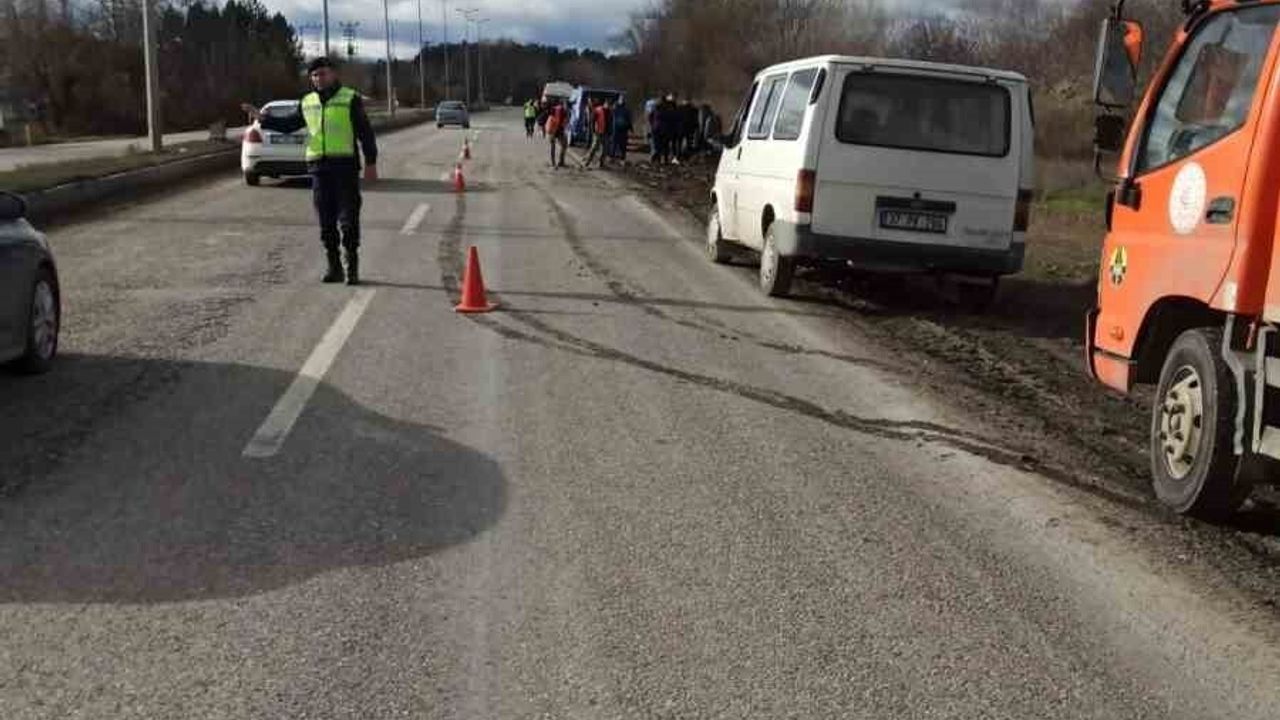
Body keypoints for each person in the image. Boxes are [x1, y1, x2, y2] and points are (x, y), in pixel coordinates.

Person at [241, 56, 377, 285]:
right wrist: (263, 118)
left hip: (345, 166)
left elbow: (365, 131)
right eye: (314, 75)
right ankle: (334, 267)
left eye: (322, 73)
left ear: (333, 74)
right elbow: (289, 125)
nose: (318, 78)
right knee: (326, 221)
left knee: (348, 220)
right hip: (319, 168)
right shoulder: (308, 101)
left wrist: (371, 163)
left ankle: (351, 267)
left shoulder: (350, 98)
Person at [581, 99, 610, 169]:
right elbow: (592, 121)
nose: (609, 106)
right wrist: (593, 131)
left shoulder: (609, 112)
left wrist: (609, 132)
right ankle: (586, 162)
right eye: (608, 104)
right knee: (594, 148)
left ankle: (601, 163)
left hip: (605, 133)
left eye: (610, 105)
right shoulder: (598, 110)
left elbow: (609, 123)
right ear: (605, 104)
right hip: (598, 132)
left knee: (605, 149)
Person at [546, 101, 568, 168]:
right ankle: (559, 162)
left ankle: (554, 162)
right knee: (563, 145)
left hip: (553, 129)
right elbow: (564, 120)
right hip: (555, 129)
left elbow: (549, 118)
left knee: (554, 146)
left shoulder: (555, 109)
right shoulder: (562, 110)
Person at [611, 97, 632, 165]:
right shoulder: (627, 110)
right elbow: (629, 120)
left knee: (615, 143)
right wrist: (631, 128)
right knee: (623, 145)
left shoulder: (615, 109)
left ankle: (612, 157)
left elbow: (611, 118)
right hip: (623, 130)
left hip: (616, 129)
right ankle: (622, 158)